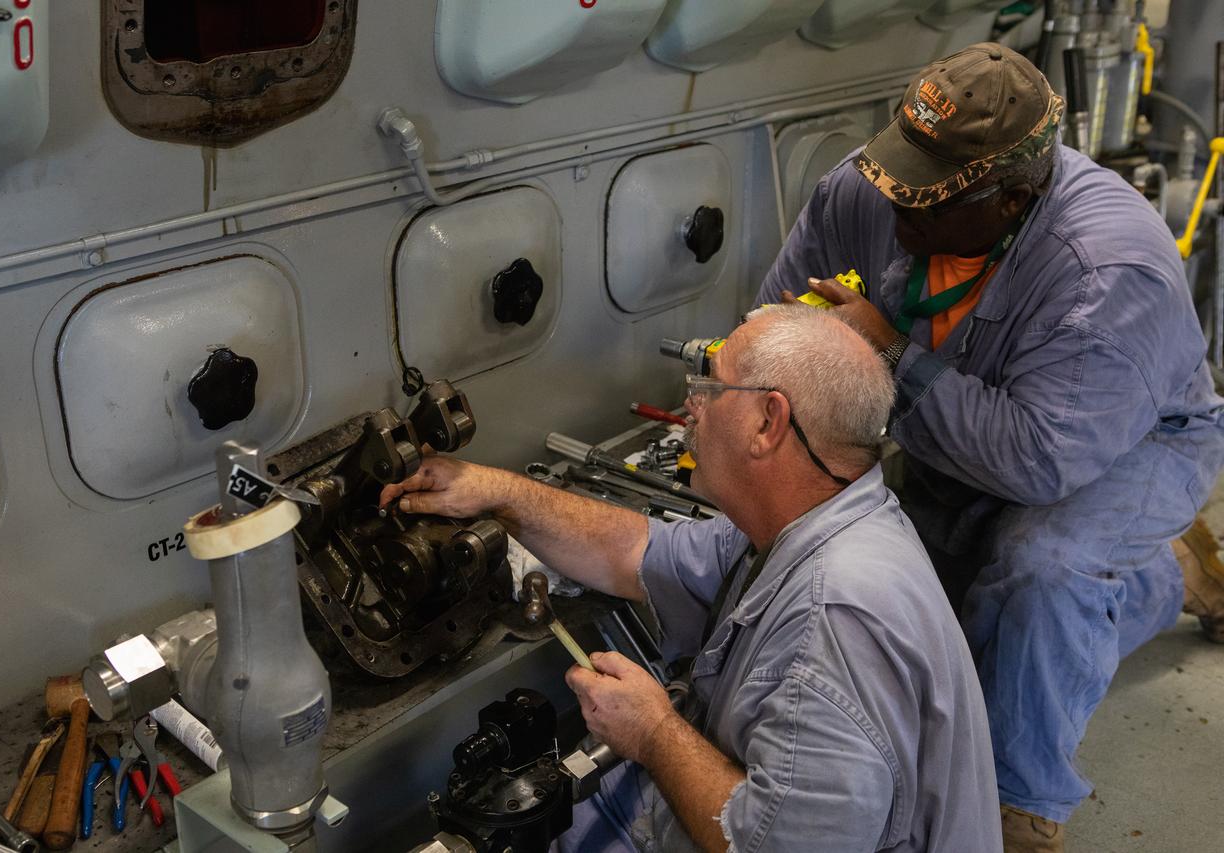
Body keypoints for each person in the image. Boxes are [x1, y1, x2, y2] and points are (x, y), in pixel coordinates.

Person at [756, 42, 1224, 851]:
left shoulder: (1110, 270)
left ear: (1011, 199)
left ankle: (1017, 807)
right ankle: (1172, 574)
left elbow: (1037, 462)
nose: (894, 205)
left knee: (1042, 567)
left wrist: (889, 356)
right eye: (894, 171)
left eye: (926, 200)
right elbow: (774, 320)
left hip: (1122, 444)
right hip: (976, 422)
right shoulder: (875, 189)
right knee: (941, 603)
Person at [381, 305, 1000, 852]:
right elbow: (636, 550)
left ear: (768, 422)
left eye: (713, 386)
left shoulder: (834, 621)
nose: (690, 407)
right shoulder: (808, 522)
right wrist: (497, 492)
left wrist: (653, 732)